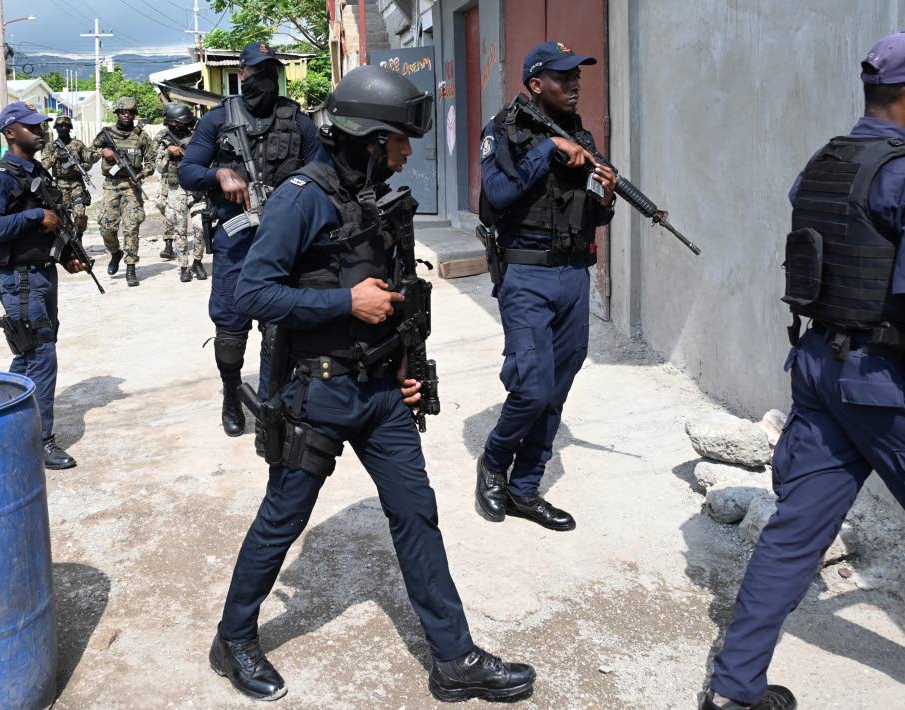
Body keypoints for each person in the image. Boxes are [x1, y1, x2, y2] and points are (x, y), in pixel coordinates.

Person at [701, 31, 905, 710]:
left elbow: (855, 272)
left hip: (824, 370)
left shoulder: (825, 164)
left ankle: (733, 691)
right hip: (890, 390)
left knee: (795, 533)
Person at [208, 65, 535, 704]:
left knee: (417, 514)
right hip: (319, 393)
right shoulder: (302, 196)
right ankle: (234, 638)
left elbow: (398, 296)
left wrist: (408, 369)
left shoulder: (377, 196)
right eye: (397, 140)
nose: (407, 153)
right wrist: (343, 303)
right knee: (283, 518)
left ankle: (454, 659)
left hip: (384, 393)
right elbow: (254, 291)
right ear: (364, 137)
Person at [474, 41, 617, 531]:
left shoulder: (582, 134)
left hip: (573, 274)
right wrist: (548, 151)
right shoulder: (504, 133)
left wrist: (606, 191)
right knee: (532, 388)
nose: (575, 85)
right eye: (563, 78)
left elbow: (595, 215)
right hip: (527, 274)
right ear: (536, 85)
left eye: (577, 76)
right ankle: (493, 462)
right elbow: (497, 193)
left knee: (557, 388)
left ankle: (525, 487)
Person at [179, 41, 324, 437]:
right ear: (241, 73)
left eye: (270, 71)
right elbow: (187, 170)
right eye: (256, 71)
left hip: (286, 243)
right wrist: (219, 176)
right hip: (236, 240)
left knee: (279, 329)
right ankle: (231, 393)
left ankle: (269, 407)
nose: (263, 79)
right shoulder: (217, 120)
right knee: (230, 330)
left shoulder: (297, 120)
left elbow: (323, 172)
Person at [0, 102, 87, 470]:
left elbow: (50, 225)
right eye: (30, 126)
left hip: (40, 274)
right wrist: (36, 215)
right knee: (40, 355)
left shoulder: (35, 170)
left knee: (28, 354)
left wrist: (66, 255)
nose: (39, 131)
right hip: (19, 279)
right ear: (10, 132)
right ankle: (39, 442)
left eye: (41, 125)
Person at [93, 96, 155, 287]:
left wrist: (141, 174)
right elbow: (88, 155)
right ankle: (115, 253)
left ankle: (130, 268)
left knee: (131, 227)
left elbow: (151, 163)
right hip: (111, 185)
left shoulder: (142, 136)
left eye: (130, 112)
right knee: (107, 228)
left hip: (131, 186)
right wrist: (103, 152)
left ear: (134, 115)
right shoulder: (106, 134)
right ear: (118, 114)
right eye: (123, 112)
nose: (126, 115)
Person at [155, 103, 207, 282]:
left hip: (196, 189)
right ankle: (183, 266)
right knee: (180, 230)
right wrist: (169, 153)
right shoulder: (164, 142)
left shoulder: (196, 138)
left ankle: (198, 262)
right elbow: (160, 168)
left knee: (200, 226)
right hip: (176, 189)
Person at [41, 115, 97, 240]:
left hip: (76, 183)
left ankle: (79, 236)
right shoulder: (51, 146)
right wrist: (56, 156)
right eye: (60, 126)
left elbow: (89, 161)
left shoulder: (77, 144)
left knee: (80, 214)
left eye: (66, 126)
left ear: (70, 128)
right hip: (60, 185)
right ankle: (69, 243)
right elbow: (44, 165)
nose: (63, 128)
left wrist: (82, 166)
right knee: (64, 217)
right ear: (56, 128)